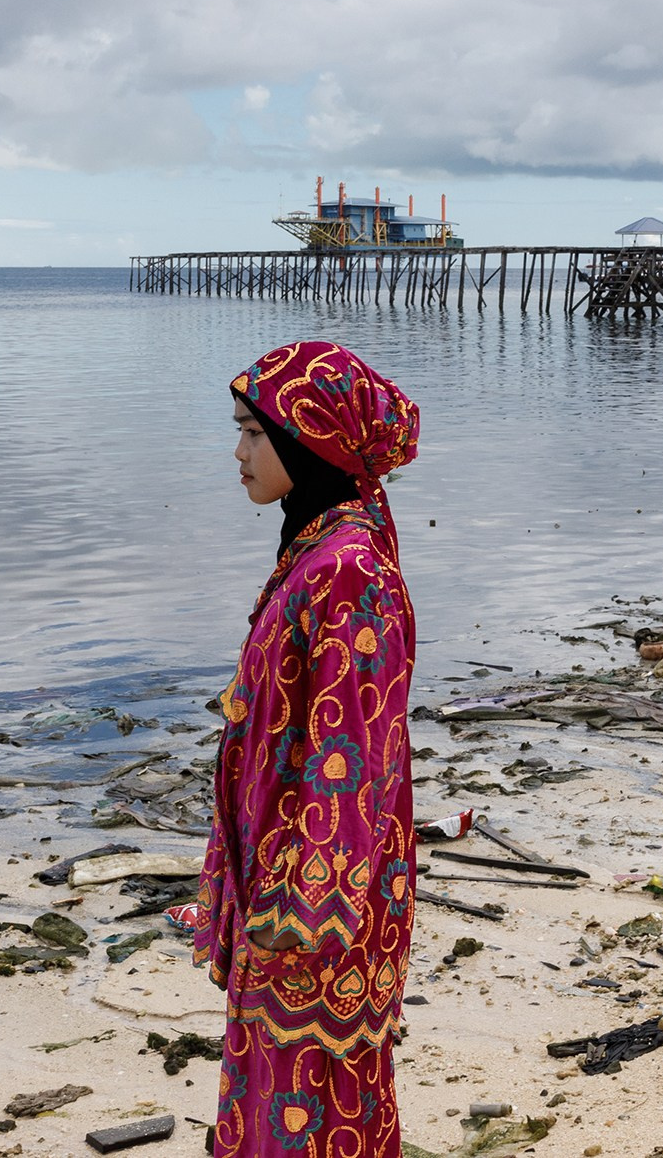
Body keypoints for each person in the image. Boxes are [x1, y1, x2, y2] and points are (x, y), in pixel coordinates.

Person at [188, 340, 420, 1158]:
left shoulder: (349, 569)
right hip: (282, 885)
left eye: (254, 432)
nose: (240, 451)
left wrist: (305, 903)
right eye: (240, 430)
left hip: (320, 901)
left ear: (309, 438)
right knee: (276, 1101)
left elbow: (355, 748)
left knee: (313, 1100)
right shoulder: (315, 549)